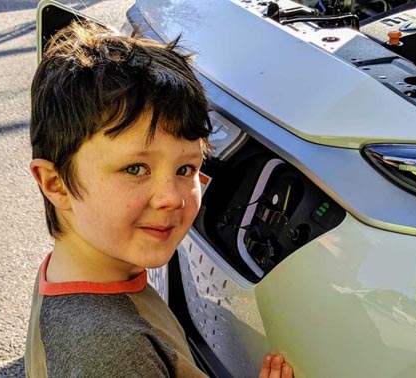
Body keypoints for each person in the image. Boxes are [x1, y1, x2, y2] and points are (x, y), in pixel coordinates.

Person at [24, 20, 294, 378]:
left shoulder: (78, 274)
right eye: (135, 169)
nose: (172, 198)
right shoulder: (113, 355)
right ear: (56, 183)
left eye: (186, 169)